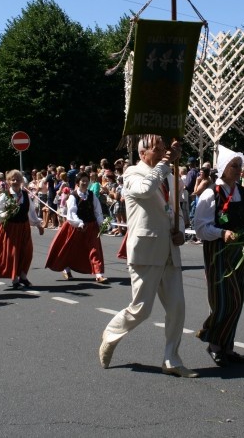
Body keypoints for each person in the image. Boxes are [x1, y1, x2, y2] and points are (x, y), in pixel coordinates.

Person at [99, 136, 198, 378]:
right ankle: (111, 336)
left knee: (177, 308)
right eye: (158, 149)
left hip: (169, 251)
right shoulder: (132, 173)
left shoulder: (169, 175)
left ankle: (171, 359)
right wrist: (166, 163)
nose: (165, 152)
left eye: (165, 148)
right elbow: (144, 191)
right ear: (143, 154)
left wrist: (181, 231)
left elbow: (174, 210)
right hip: (146, 250)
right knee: (141, 309)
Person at [194, 144, 244, 367]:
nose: (238, 170)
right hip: (218, 252)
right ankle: (214, 344)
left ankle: (227, 347)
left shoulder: (242, 192)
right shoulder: (210, 193)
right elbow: (201, 228)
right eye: (234, 166)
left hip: (240, 250)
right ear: (223, 168)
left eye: (240, 166)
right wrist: (223, 233)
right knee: (223, 300)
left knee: (238, 299)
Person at [45, 172, 108, 283]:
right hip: (75, 227)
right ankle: (66, 269)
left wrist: (101, 224)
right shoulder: (73, 196)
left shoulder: (92, 195)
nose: (84, 183)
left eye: (86, 181)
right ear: (78, 182)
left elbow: (98, 212)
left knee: (95, 249)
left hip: (91, 226)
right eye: (82, 181)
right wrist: (79, 223)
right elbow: (71, 213)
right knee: (69, 249)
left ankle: (98, 274)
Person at [0, 170, 45, 288]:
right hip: (10, 228)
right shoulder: (5, 196)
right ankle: (15, 279)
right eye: (12, 179)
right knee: (13, 253)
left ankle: (23, 276)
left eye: (18, 179)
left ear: (21, 181)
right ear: (8, 181)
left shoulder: (25, 195)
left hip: (24, 227)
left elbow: (31, 212)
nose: (15, 181)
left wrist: (38, 224)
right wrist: (3, 215)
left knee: (27, 252)